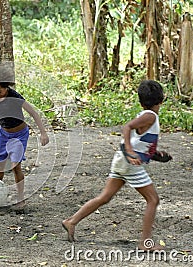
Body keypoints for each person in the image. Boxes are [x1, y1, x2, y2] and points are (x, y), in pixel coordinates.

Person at [62, 80, 172, 250]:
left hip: (122, 160)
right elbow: (127, 128)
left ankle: (71, 221)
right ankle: (145, 243)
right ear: (162, 100)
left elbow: (140, 142)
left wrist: (155, 154)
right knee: (153, 200)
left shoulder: (146, 116)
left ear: (140, 101)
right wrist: (130, 151)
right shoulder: (151, 116)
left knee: (104, 197)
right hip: (129, 163)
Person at [0, 65, 49, 210]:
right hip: (4, 134)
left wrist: (43, 132)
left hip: (19, 135)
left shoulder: (15, 97)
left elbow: (34, 113)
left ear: (6, 87)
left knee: (15, 167)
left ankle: (20, 198)